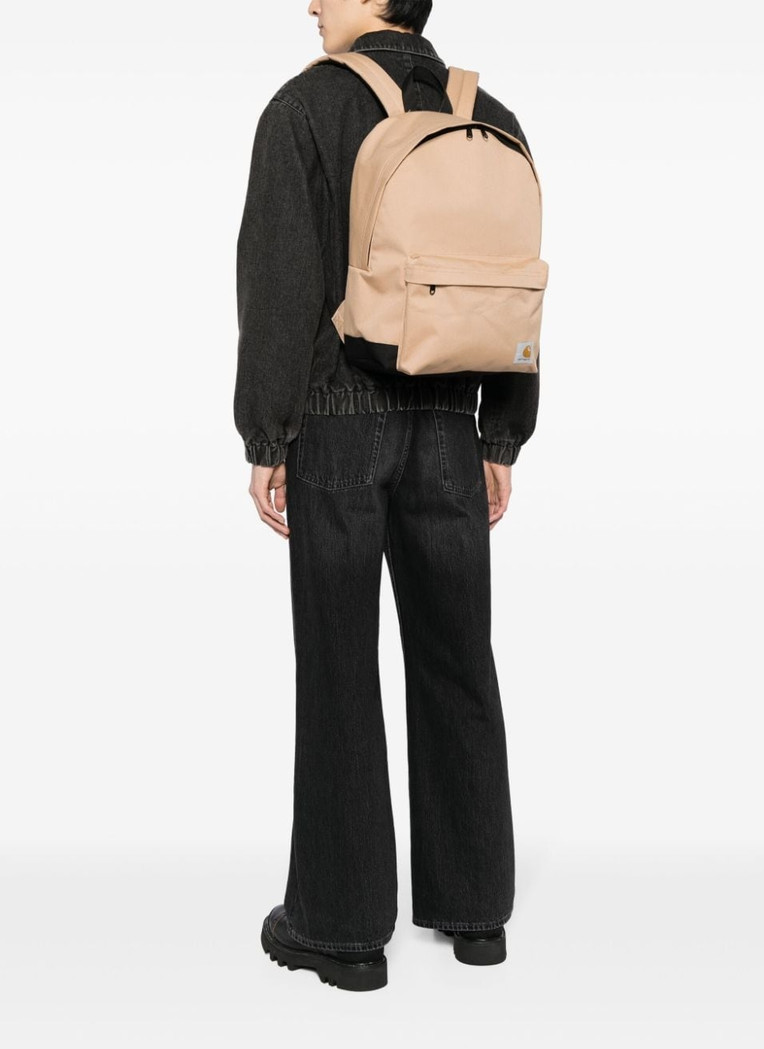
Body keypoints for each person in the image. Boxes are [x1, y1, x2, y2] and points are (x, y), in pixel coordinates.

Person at [233, 0, 540, 992]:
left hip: (338, 421)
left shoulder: (304, 110)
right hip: (452, 423)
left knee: (338, 666)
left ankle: (342, 927)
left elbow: (279, 286)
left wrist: (266, 432)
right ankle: (476, 911)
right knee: (458, 657)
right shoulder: (487, 117)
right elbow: (516, 284)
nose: (310, 4)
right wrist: (501, 433)